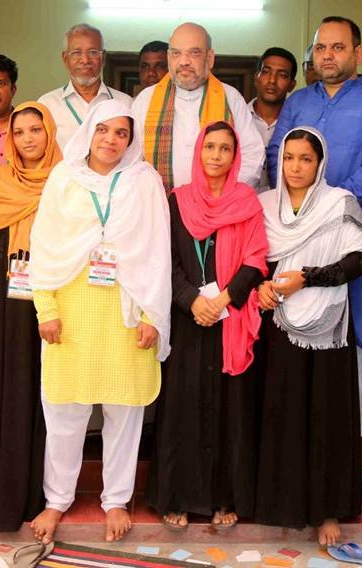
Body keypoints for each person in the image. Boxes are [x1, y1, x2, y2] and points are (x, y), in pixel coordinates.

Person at [28, 100, 171, 543]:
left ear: (132, 139)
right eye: (103, 130)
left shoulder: (144, 181)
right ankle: (57, 500)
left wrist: (153, 315)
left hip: (126, 310)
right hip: (71, 308)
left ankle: (116, 499)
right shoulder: (64, 178)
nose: (111, 140)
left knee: (124, 411)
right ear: (89, 131)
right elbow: (44, 244)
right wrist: (46, 309)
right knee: (65, 411)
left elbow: (156, 251)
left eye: (121, 133)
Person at [267, 16, 362, 466]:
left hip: (355, 230)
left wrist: (328, 201)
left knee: (357, 326)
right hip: (298, 231)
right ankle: (299, 429)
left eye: (338, 47)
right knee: (297, 317)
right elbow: (277, 156)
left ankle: (357, 431)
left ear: (357, 53)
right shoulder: (299, 100)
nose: (328, 55)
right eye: (321, 48)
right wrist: (296, 207)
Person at [255, 127, 362, 545]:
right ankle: (281, 503)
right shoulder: (264, 205)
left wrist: (307, 279)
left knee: (326, 415)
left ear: (320, 163)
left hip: (327, 324)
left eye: (305, 158)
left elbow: (361, 260)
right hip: (277, 323)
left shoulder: (338, 203)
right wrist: (261, 287)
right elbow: (253, 259)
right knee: (282, 412)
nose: (295, 167)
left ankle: (328, 511)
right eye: (289, 157)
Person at [146, 121, 268, 530]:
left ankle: (224, 498)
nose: (216, 156)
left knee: (228, 412)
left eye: (225, 149)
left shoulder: (247, 201)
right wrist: (192, 301)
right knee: (183, 409)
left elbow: (256, 259)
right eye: (209, 147)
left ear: (236, 157)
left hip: (230, 317)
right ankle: (176, 497)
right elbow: (165, 262)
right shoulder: (177, 201)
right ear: (198, 152)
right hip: (187, 319)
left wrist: (223, 299)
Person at [0, 102, 63, 531]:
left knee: (48, 402)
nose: (27, 139)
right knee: (5, 397)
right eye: (18, 132)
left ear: (49, 132)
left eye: (35, 130)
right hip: (4, 304)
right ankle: (2, 494)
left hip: (54, 307)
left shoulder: (67, 183)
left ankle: (44, 496)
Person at [132, 22, 265, 192]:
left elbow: (252, 154)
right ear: (168, 57)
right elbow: (131, 158)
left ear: (210, 58)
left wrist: (224, 196)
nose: (184, 61)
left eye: (194, 53)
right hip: (158, 208)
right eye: (176, 53)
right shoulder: (146, 99)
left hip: (215, 211)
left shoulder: (230, 98)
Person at [38, 23, 132, 149]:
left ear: (103, 58)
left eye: (93, 52)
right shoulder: (47, 105)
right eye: (77, 53)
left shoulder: (125, 103)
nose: (85, 60)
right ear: (65, 59)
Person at [249, 47, 296, 192]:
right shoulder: (237, 118)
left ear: (292, 85)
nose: (272, 81)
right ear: (256, 78)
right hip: (241, 207)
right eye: (266, 72)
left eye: (282, 75)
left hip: (284, 207)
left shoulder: (297, 125)